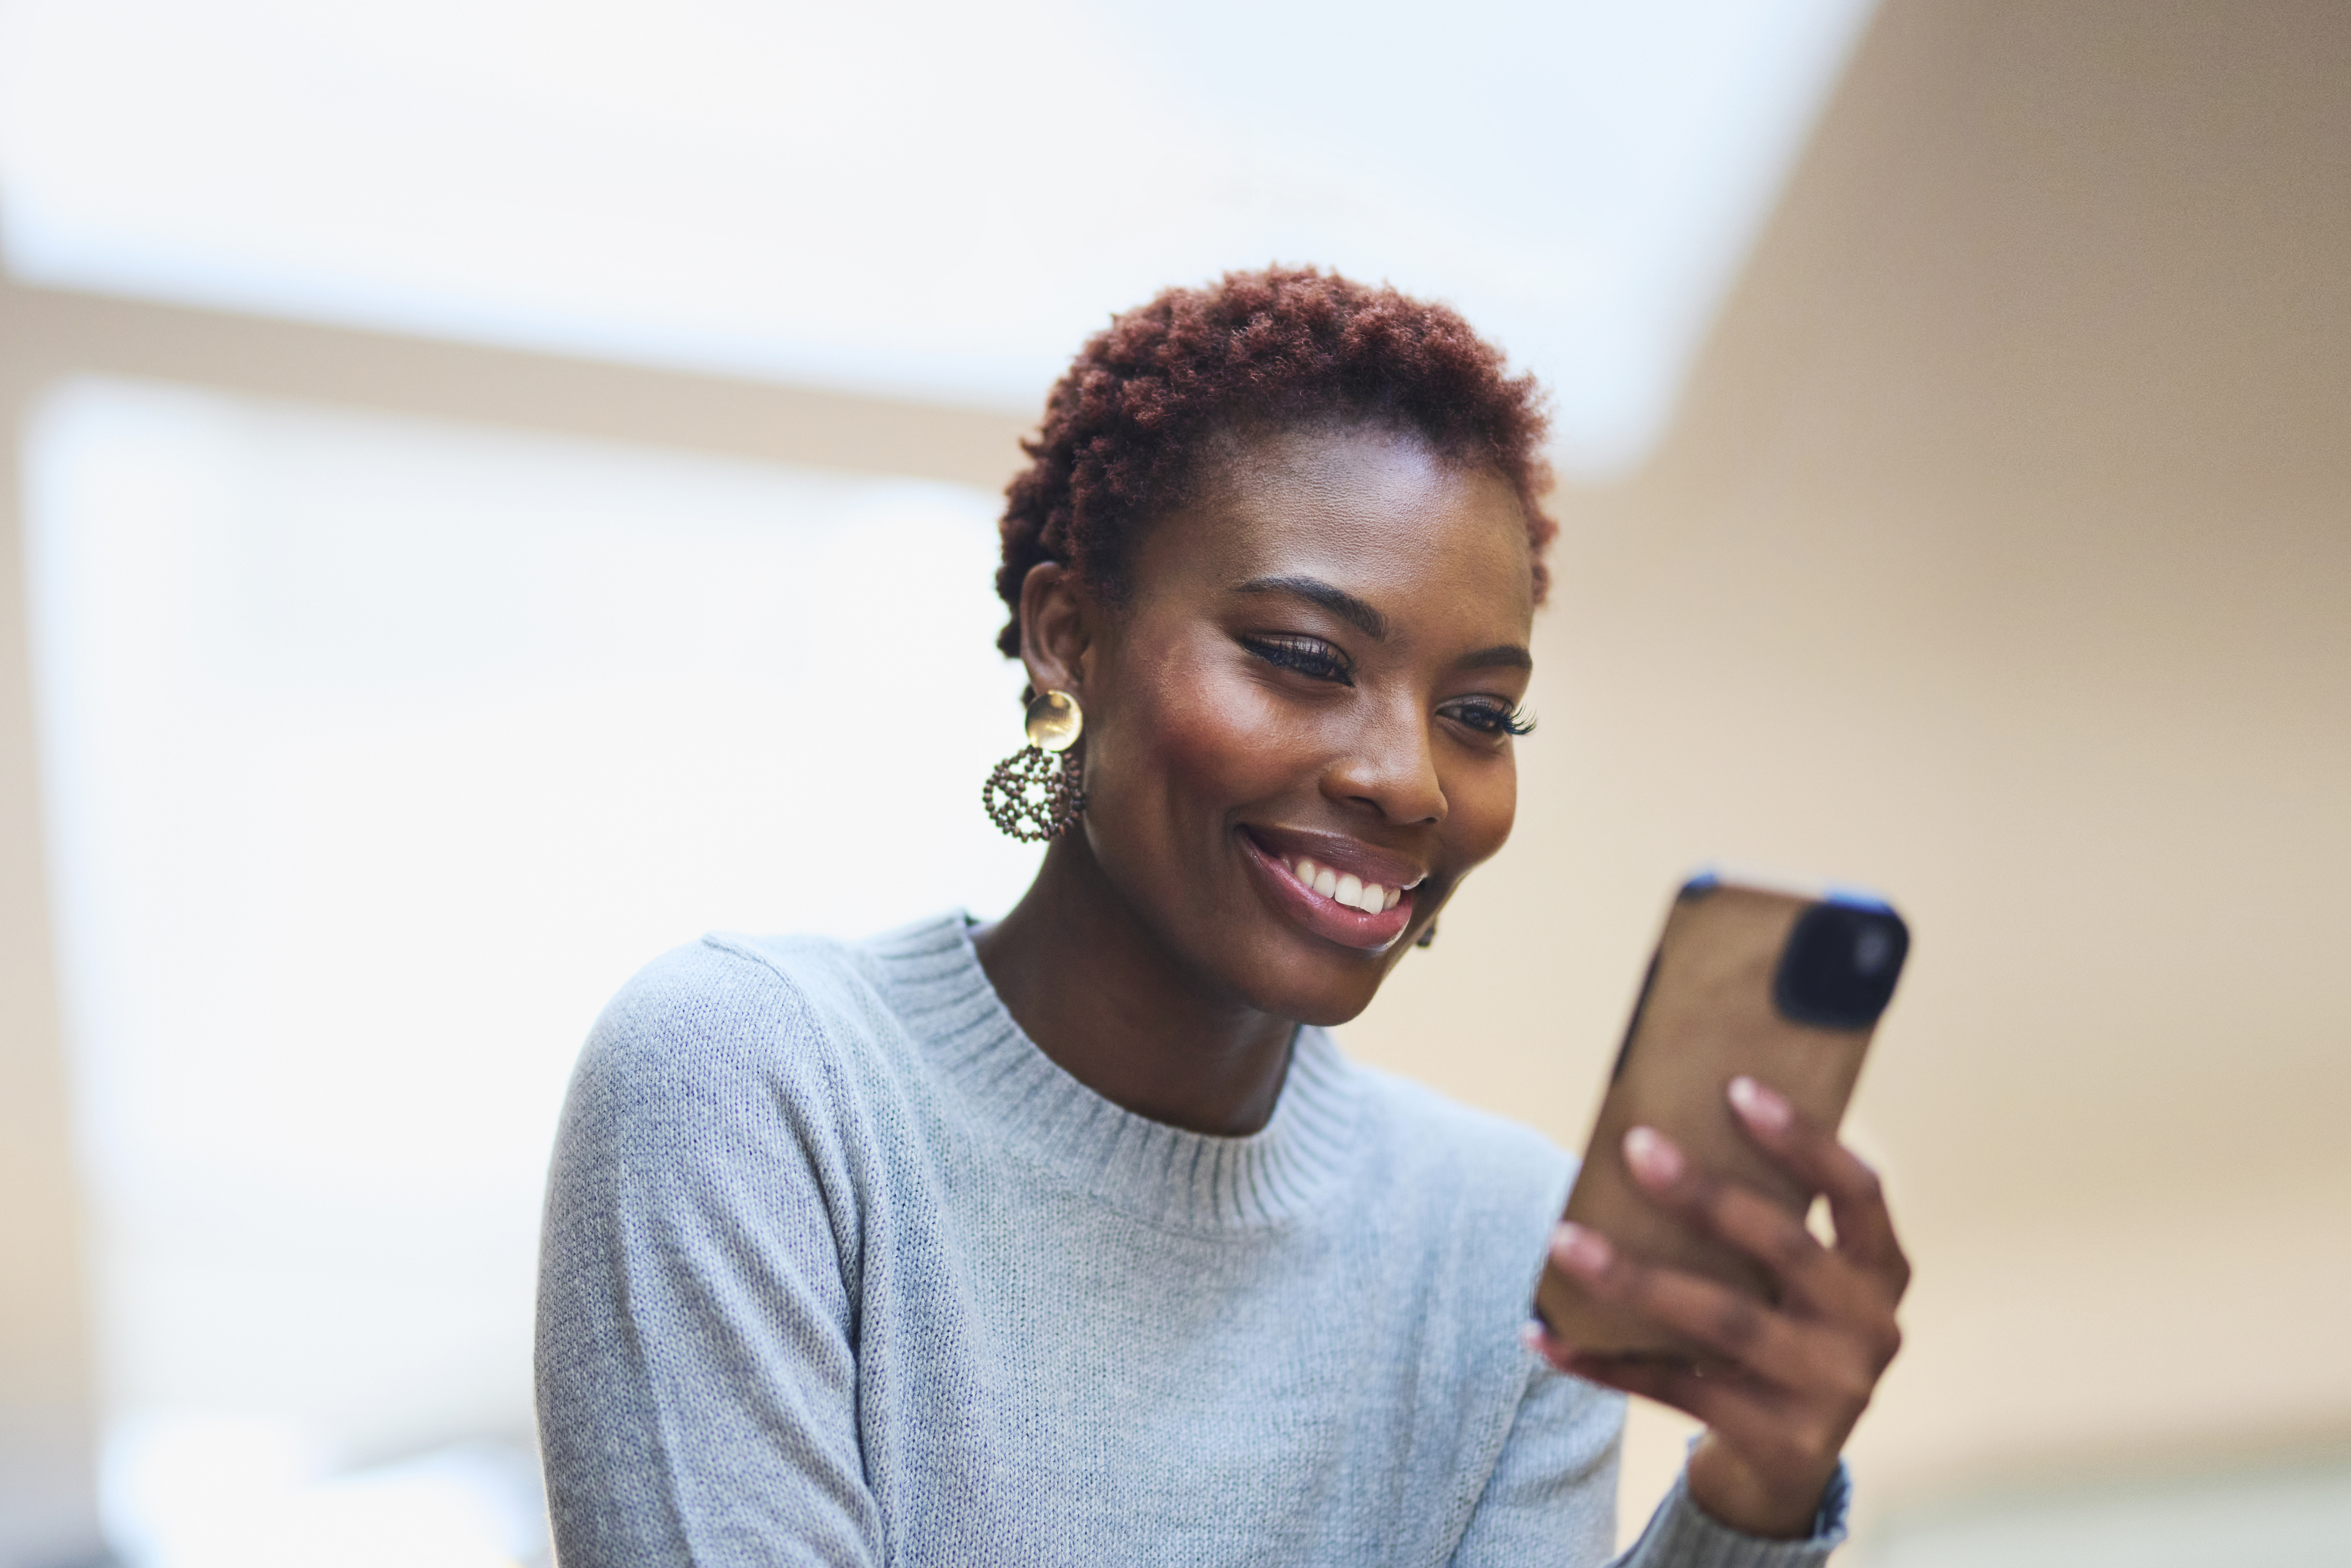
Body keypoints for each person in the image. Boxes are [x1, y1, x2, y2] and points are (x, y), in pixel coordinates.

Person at [535, 267, 1909, 1566]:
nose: (1411, 779)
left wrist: (1748, 1503)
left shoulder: (1505, 1242)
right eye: (1306, 658)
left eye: (1483, 714)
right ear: (1070, 637)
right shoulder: (753, 1083)